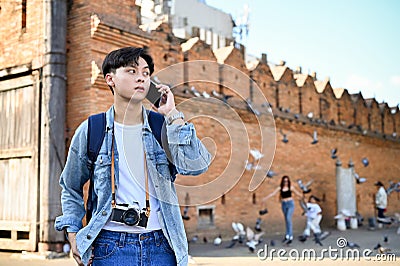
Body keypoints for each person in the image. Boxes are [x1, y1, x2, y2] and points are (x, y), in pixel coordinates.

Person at [55, 47, 211, 266]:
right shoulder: (92, 129)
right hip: (109, 246)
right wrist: (73, 235)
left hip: (162, 245)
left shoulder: (162, 127)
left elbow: (197, 165)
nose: (141, 78)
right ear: (110, 79)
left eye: (146, 73)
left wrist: (173, 115)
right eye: (131, 71)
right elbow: (70, 186)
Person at [261, 175, 303, 244]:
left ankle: (290, 236)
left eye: (286, 181)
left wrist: (302, 196)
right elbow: (273, 193)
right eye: (284, 181)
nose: (285, 182)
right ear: (282, 181)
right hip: (284, 204)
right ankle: (287, 235)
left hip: (290, 204)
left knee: (288, 218)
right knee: (286, 220)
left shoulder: (291, 187)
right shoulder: (280, 188)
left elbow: (298, 193)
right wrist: (265, 198)